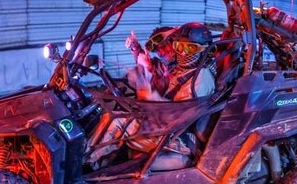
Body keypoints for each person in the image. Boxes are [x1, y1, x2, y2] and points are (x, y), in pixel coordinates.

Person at [88, 22, 215, 166]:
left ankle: (83, 162)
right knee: (116, 113)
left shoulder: (200, 77)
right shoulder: (181, 71)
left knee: (117, 121)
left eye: (190, 48)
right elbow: (157, 81)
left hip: (179, 140)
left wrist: (144, 88)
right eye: (180, 47)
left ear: (204, 51)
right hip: (168, 130)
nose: (184, 53)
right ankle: (98, 162)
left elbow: (176, 114)